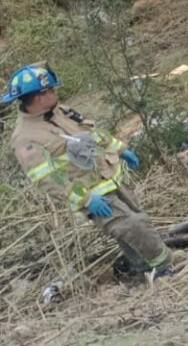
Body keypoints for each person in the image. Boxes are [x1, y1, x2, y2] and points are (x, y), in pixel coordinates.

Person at [5, 64, 174, 278]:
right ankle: (166, 264)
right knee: (133, 225)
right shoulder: (26, 138)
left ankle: (140, 266)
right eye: (52, 90)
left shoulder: (60, 111)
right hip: (90, 194)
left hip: (109, 178)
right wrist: (85, 199)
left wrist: (120, 149)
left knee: (132, 223)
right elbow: (46, 180)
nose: (56, 93)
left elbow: (92, 133)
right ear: (39, 96)